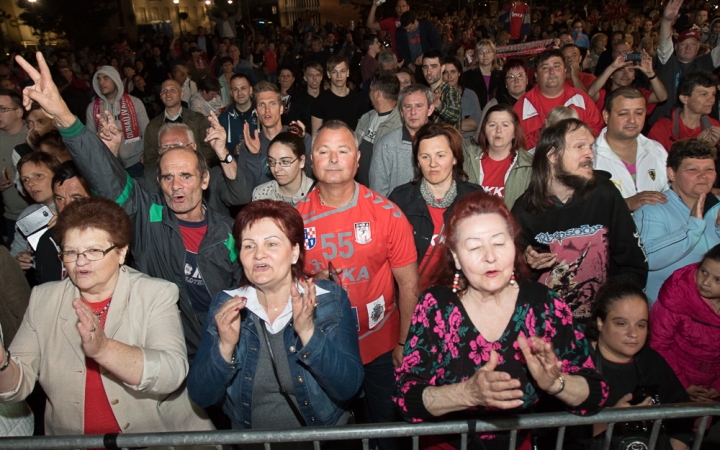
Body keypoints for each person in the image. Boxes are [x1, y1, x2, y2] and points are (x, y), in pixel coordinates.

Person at [16, 51, 244, 360]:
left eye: (186, 176)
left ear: (204, 180)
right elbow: (107, 179)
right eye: (167, 177)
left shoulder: (227, 231)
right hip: (171, 348)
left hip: (226, 346)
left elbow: (242, 291)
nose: (176, 185)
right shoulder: (148, 217)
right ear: (158, 181)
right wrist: (65, 118)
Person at [395, 190, 608, 448]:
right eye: (474, 247)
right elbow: (406, 397)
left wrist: (556, 383)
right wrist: (467, 393)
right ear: (455, 257)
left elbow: (596, 394)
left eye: (499, 243)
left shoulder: (544, 305)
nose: (490, 257)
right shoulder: (435, 306)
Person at [0, 196, 214, 435]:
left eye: (93, 250)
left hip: (154, 437)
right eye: (71, 251)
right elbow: (16, 388)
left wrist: (103, 349)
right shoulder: (43, 299)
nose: (81, 261)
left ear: (121, 252)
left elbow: (171, 373)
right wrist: (2, 363)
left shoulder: (155, 293)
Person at [296, 120, 419, 450]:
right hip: (323, 351)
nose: (333, 159)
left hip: (381, 348)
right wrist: (309, 282)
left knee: (389, 436)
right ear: (311, 159)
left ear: (358, 158)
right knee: (336, 439)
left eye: (342, 150)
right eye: (324, 151)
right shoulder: (292, 221)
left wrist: (404, 344)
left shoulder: (387, 214)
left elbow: (409, 284)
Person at [187, 200, 364, 429]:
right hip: (252, 443)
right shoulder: (227, 305)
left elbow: (349, 386)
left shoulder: (327, 298)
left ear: (294, 253)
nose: (259, 255)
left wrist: (309, 333)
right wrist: (224, 348)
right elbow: (201, 395)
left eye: (271, 244)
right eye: (249, 246)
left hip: (321, 440)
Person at [511, 119, 648, 319]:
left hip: (600, 326)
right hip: (548, 328)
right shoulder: (525, 210)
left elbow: (634, 267)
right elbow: (511, 282)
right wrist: (528, 265)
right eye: (579, 146)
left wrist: (607, 315)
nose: (590, 154)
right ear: (552, 155)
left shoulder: (605, 195)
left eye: (591, 146)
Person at [567, 282, 693, 450]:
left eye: (640, 325)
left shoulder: (651, 361)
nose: (633, 333)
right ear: (600, 322)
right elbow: (556, 433)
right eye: (621, 323)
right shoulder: (576, 361)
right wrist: (610, 420)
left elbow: (683, 419)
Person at [389, 123, 480, 290]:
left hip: (459, 298)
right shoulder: (400, 199)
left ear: (455, 158)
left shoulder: (474, 199)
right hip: (414, 298)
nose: (433, 164)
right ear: (417, 161)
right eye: (425, 156)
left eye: (440, 155)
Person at [633, 138, 720, 303]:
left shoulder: (717, 206)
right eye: (692, 169)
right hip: (669, 315)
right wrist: (693, 227)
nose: (703, 175)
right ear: (672, 173)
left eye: (709, 169)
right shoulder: (652, 210)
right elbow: (647, 259)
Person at [651, 245, 720, 404]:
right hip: (673, 376)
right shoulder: (677, 294)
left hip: (712, 388)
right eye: (703, 271)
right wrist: (683, 384)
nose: (705, 283)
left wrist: (717, 388)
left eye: (718, 279)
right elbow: (658, 343)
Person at [593, 87, 668, 212]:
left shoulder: (657, 150)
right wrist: (626, 204)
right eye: (623, 113)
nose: (632, 120)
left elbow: (670, 196)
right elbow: (583, 210)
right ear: (606, 116)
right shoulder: (589, 157)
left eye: (639, 113)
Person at [513, 50, 604, 150]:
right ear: (535, 74)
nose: (551, 71)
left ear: (565, 70)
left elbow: (598, 130)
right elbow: (515, 144)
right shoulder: (522, 105)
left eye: (556, 66)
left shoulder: (581, 99)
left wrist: (574, 136)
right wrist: (540, 135)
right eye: (545, 68)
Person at [649, 0, 720, 125]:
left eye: (693, 44)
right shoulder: (667, 61)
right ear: (676, 47)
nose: (688, 47)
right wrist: (666, 21)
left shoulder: (704, 63)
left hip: (692, 127)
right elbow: (665, 42)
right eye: (684, 44)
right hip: (663, 124)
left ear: (698, 48)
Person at [238, 81, 312, 190]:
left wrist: (298, 143)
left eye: (272, 103)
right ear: (256, 112)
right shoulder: (248, 146)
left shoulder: (301, 137)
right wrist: (253, 156)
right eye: (262, 105)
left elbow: (310, 179)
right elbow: (245, 191)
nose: (267, 110)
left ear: (281, 108)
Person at [84, 66, 148, 179]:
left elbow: (147, 131)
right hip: (107, 164)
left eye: (106, 78)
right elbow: (90, 138)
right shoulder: (92, 108)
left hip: (136, 162)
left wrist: (146, 154)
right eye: (98, 79)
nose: (101, 82)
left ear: (116, 80)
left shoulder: (135, 102)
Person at [464, 104, 532, 209]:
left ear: (515, 131)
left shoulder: (530, 166)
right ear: (484, 131)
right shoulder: (467, 160)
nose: (498, 130)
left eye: (505, 125)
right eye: (492, 125)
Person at [34, 161, 91, 285]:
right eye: (60, 199)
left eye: (76, 199)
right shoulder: (48, 241)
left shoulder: (112, 238)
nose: (66, 207)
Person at [370, 84, 433, 196]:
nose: (413, 112)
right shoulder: (386, 145)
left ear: (430, 109)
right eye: (407, 106)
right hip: (397, 212)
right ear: (401, 111)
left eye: (419, 106)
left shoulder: (444, 142)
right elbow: (378, 194)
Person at [143, 79, 218, 171]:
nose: (168, 94)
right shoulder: (152, 126)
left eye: (173, 90)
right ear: (160, 96)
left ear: (181, 94)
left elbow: (209, 149)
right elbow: (150, 159)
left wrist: (197, 169)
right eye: (164, 91)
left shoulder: (197, 119)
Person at [10, 152, 60, 278]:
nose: (30, 183)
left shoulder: (77, 207)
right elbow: (13, 258)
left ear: (57, 176)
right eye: (25, 179)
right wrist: (18, 261)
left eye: (38, 176)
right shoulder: (28, 215)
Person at [648, 71, 720, 152]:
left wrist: (716, 148)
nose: (711, 99)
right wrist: (697, 149)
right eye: (704, 94)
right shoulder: (662, 129)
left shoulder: (714, 126)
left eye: (713, 94)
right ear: (684, 98)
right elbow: (656, 162)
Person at [587, 47, 668, 117]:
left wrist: (650, 74)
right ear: (611, 75)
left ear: (634, 76)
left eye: (630, 70)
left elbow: (662, 97)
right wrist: (612, 67)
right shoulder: (603, 95)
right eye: (621, 69)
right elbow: (590, 93)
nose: (625, 74)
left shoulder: (639, 94)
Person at [354, 71, 402, 187]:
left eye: (371, 90)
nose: (369, 94)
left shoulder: (400, 125)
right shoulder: (366, 118)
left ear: (378, 94)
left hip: (383, 195)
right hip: (360, 190)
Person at [0, 89, 30, 245]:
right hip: (10, 216)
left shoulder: (33, 136)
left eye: (3, 109)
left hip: (38, 213)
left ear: (19, 112)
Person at [252, 132, 315, 204]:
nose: (276, 169)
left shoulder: (319, 193)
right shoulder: (261, 195)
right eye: (272, 161)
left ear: (301, 161)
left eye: (285, 162)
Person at [310, 56, 368, 133]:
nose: (339, 75)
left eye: (342, 71)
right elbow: (315, 136)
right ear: (328, 74)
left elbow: (363, 132)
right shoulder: (319, 101)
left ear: (347, 73)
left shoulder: (359, 99)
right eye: (334, 72)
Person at [218, 73, 258, 156]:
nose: (239, 93)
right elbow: (217, 150)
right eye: (235, 89)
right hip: (234, 166)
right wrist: (233, 151)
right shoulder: (224, 118)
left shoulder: (262, 115)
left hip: (259, 165)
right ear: (231, 92)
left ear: (250, 90)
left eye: (243, 88)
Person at [478, 58, 528, 125]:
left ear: (527, 80)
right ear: (505, 83)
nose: (516, 81)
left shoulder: (535, 101)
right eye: (511, 77)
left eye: (520, 75)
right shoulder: (494, 104)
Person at [443, 57, 481, 139]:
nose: (449, 76)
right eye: (445, 72)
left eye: (453, 72)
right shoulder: (438, 96)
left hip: (468, 144)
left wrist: (447, 126)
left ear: (459, 73)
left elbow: (477, 123)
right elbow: (436, 127)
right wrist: (462, 125)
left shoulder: (470, 95)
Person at [460, 40, 503, 111]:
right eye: (481, 52)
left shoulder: (501, 75)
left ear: (493, 55)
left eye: (488, 52)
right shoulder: (467, 76)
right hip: (475, 116)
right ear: (476, 57)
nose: (485, 55)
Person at [286, 62, 323, 132]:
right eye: (311, 75)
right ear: (305, 78)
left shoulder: (327, 100)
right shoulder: (298, 102)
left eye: (317, 75)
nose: (314, 78)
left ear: (321, 77)